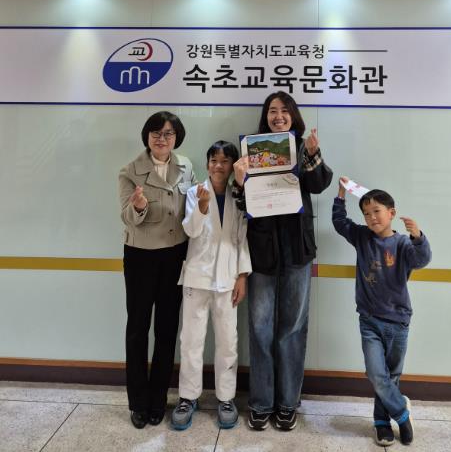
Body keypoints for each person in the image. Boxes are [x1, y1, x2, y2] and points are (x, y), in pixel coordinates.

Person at [232, 91, 333, 431]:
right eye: (272, 110)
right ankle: (261, 402)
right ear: (266, 116)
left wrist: (313, 155)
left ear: (293, 115)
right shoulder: (253, 152)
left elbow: (319, 184)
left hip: (297, 250)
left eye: (284, 110)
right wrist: (240, 182)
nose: (278, 116)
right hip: (261, 251)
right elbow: (242, 204)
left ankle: (288, 403)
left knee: (292, 329)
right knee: (260, 329)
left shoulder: (302, 148)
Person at [332, 177, 432, 446]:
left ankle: (381, 423)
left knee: (391, 377)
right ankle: (401, 413)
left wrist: (418, 237)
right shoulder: (362, 237)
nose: (371, 217)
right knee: (377, 374)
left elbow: (422, 260)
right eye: (366, 213)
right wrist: (340, 195)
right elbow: (340, 223)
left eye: (376, 211)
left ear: (392, 213)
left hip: (398, 321)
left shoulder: (403, 244)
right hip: (369, 320)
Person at [118, 111, 196, 429]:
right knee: (138, 329)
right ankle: (138, 402)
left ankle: (158, 399)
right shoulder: (130, 171)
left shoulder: (186, 166)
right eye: (156, 133)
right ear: (147, 136)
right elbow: (126, 216)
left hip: (175, 256)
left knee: (166, 329)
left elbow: (192, 208)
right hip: (141, 255)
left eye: (168, 134)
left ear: (176, 138)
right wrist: (138, 207)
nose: (162, 139)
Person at [171, 141, 251, 431]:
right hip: (197, 277)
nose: (219, 166)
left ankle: (226, 399)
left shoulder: (238, 197)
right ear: (207, 164)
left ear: (232, 167)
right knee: (191, 341)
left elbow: (242, 237)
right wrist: (202, 208)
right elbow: (190, 231)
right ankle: (187, 397)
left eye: (225, 161)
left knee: (228, 341)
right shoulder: (195, 192)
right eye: (214, 160)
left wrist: (242, 276)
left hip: (228, 279)